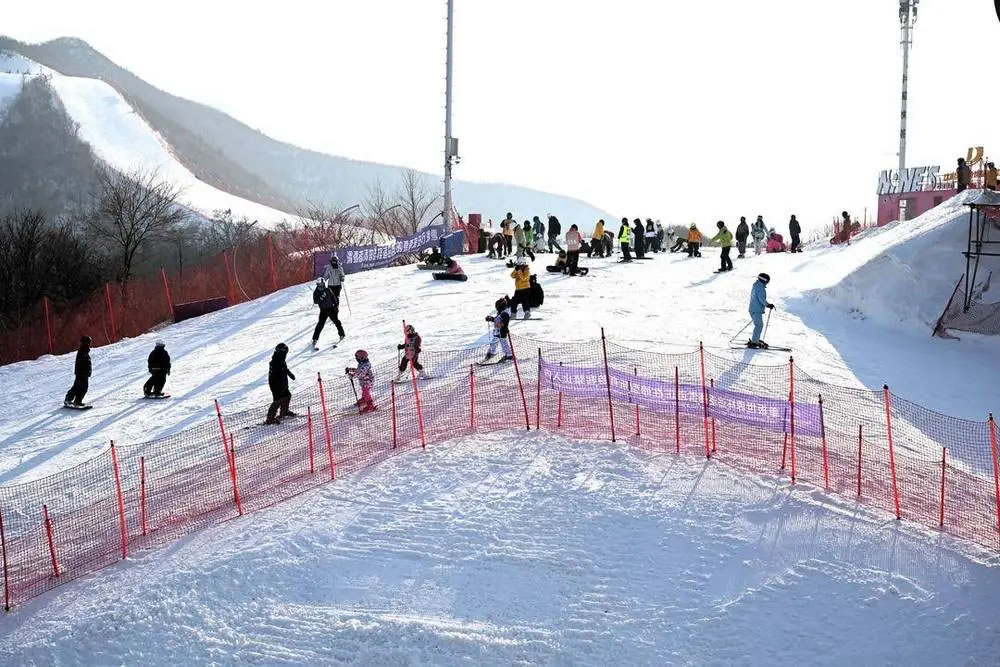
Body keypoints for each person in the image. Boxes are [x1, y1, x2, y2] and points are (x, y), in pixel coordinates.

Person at [265, 343, 297, 424]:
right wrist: (280, 387)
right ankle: (270, 418)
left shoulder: (280, 359)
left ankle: (284, 411)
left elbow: (284, 368)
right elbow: (275, 376)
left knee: (287, 396)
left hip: (283, 383)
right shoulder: (275, 362)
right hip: (276, 385)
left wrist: (289, 374)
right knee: (278, 400)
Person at [312, 277, 345, 348]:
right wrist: (321, 297)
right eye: (320, 284)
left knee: (337, 322)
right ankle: (315, 339)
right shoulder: (316, 292)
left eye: (323, 284)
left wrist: (336, 306)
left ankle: (342, 334)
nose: (322, 285)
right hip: (323, 310)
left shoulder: (327, 290)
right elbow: (315, 301)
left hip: (331, 309)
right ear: (318, 284)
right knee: (320, 324)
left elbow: (333, 298)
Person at [747, 273, 775, 349]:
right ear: (764, 280)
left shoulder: (756, 285)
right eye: (767, 281)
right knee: (759, 325)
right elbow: (761, 299)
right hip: (756, 310)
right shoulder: (760, 288)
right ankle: (754, 342)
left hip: (754, 309)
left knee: (758, 325)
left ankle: (755, 339)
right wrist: (768, 305)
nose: (767, 283)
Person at [63, 335, 92, 407]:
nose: (90, 344)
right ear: (85, 342)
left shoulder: (84, 350)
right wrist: (83, 372)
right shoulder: (83, 350)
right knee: (79, 387)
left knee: (80, 387)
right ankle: (70, 400)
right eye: (89, 342)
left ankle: (76, 401)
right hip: (81, 373)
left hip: (83, 373)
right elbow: (82, 363)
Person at [346, 349, 376, 414]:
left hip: (367, 382)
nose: (357, 359)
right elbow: (358, 370)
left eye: (357, 357)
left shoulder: (365, 365)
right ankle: (364, 399)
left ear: (361, 357)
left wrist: (353, 375)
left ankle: (370, 406)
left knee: (366, 393)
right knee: (364, 391)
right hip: (364, 381)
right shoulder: (363, 364)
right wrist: (350, 369)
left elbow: (361, 373)